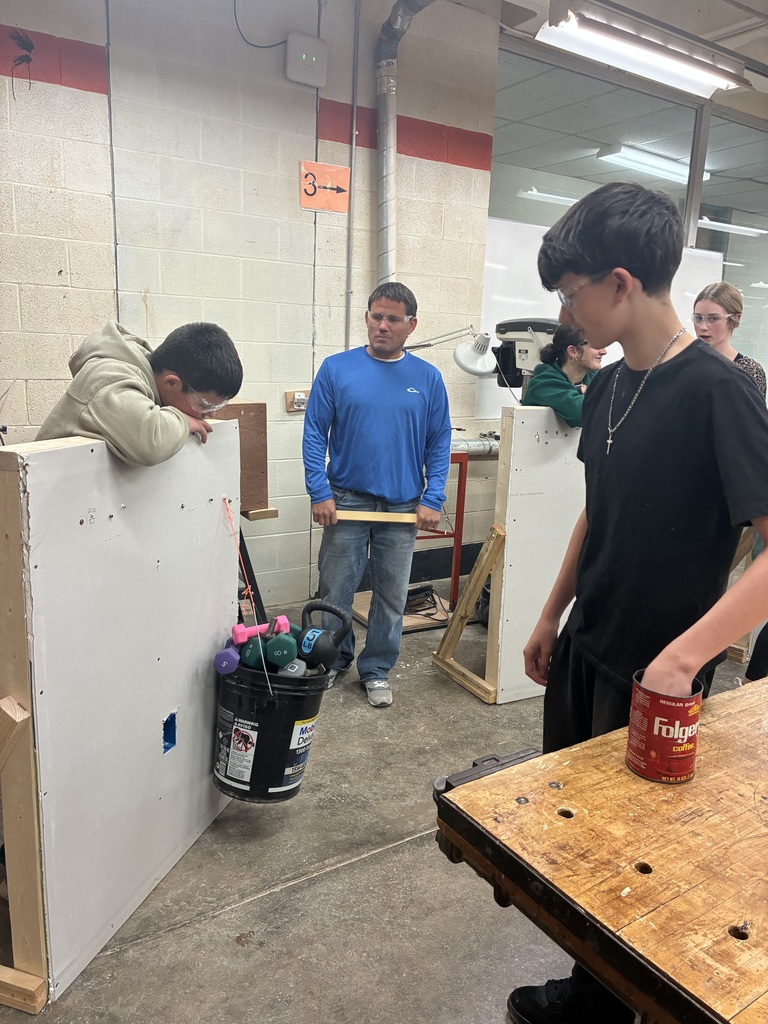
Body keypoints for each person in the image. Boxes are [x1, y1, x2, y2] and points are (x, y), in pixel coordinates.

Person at [510, 181, 768, 1024]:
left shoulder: (717, 390)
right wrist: (552, 614)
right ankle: (592, 995)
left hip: (658, 678)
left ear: (621, 282)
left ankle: (613, 1005)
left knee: (638, 857)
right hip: (590, 644)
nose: (566, 313)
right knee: (581, 842)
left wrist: (689, 656)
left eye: (571, 293)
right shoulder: (613, 385)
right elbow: (599, 506)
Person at [302, 281, 451, 708]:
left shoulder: (427, 379)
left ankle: (377, 668)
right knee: (335, 591)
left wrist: (432, 498)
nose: (381, 326)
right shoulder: (336, 369)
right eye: (375, 316)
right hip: (345, 500)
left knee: (391, 596)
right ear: (367, 318)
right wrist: (319, 491)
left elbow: (439, 442)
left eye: (392, 319)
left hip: (403, 506)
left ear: (411, 325)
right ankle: (333, 661)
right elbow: (314, 434)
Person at [36, 320, 242, 466]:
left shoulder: (148, 378)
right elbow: (150, 443)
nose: (211, 414)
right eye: (204, 404)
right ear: (171, 382)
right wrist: (184, 421)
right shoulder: (109, 378)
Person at [521, 323, 606, 426]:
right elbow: (582, 412)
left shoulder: (593, 378)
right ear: (573, 351)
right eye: (596, 345)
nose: (603, 351)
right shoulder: (544, 384)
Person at [694, 281, 766, 397]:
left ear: (735, 318)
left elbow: (754, 414)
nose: (703, 327)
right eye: (698, 318)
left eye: (713, 318)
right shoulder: (684, 366)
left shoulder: (750, 371)